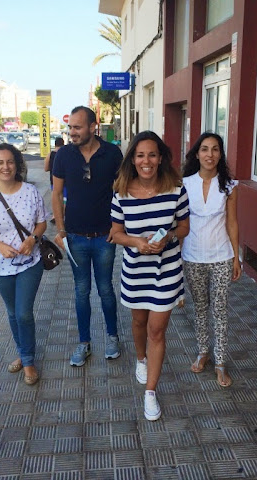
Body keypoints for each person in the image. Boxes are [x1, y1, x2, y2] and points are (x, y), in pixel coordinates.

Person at [109, 130, 190, 421]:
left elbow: (184, 227)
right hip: (135, 271)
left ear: (160, 158)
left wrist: (168, 237)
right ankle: (140, 358)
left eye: (152, 155)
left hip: (166, 270)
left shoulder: (176, 190)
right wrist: (136, 242)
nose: (147, 161)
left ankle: (150, 392)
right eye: (141, 155)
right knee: (139, 322)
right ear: (133, 159)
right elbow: (115, 234)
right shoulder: (121, 193)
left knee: (157, 330)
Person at [0, 143, 47, 386]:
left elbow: (42, 223)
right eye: (0, 163)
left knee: (23, 313)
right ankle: (22, 353)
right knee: (13, 313)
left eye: (10, 162)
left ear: (17, 165)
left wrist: (32, 240)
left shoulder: (30, 192)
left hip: (30, 263)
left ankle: (29, 361)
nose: (6, 167)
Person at [51, 106, 122, 367]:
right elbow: (56, 194)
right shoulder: (63, 155)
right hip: (75, 237)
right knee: (81, 290)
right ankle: (84, 342)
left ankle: (112, 337)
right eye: (70, 127)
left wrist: (118, 226)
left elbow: (122, 191)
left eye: (77, 127)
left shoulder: (112, 153)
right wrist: (61, 230)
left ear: (93, 127)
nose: (72, 132)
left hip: (105, 236)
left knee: (105, 289)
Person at [181, 132, 242, 388]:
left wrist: (236, 257)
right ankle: (203, 351)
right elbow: (180, 222)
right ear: (197, 154)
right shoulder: (184, 184)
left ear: (220, 154)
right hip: (192, 256)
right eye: (205, 149)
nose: (210, 154)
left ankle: (220, 362)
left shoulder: (229, 186)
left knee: (219, 309)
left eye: (215, 149)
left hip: (221, 256)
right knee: (200, 308)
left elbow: (232, 222)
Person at [44, 137, 65, 224]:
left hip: (54, 180)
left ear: (55, 144)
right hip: (65, 181)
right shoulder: (66, 154)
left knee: (56, 197)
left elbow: (46, 168)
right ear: (63, 144)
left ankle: (55, 216)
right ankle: (63, 216)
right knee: (65, 199)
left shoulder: (50, 154)